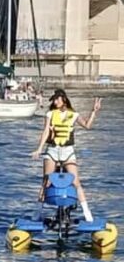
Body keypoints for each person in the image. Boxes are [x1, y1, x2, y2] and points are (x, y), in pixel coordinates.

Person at [30, 89, 101, 222]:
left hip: (68, 152)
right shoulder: (50, 114)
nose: (55, 102)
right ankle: (38, 212)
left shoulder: (73, 114)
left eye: (57, 99)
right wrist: (39, 149)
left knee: (76, 182)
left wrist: (94, 112)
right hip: (53, 151)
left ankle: (87, 213)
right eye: (54, 100)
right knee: (46, 181)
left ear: (63, 99)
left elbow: (87, 125)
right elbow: (45, 132)